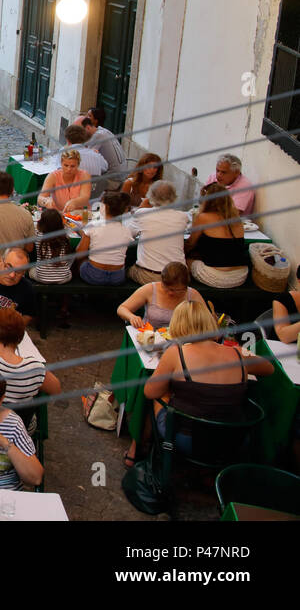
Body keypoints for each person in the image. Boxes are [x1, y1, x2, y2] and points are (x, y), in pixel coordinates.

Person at [136, 301, 273, 463]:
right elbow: (269, 368)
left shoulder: (176, 353)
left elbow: (150, 392)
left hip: (188, 440)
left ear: (177, 326)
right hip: (233, 440)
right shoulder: (237, 353)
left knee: (162, 392)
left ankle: (144, 448)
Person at [186, 182, 250, 288]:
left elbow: (190, 244)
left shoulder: (203, 217)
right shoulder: (236, 218)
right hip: (240, 275)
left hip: (217, 276)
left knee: (184, 261)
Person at [126, 181, 186, 284]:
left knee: (126, 269)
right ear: (174, 197)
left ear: (150, 196)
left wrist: (141, 207)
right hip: (177, 277)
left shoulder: (142, 213)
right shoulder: (182, 216)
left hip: (149, 276)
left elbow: (128, 233)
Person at [117, 262, 204, 330]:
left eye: (176, 290)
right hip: (150, 338)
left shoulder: (192, 294)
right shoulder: (150, 289)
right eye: (166, 288)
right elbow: (122, 308)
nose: (170, 293)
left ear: (185, 287)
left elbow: (207, 321)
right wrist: (132, 317)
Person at [77, 191, 131, 286]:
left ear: (105, 207)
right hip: (117, 277)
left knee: (82, 262)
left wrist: (84, 232)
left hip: (95, 275)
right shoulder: (126, 230)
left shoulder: (93, 225)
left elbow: (80, 252)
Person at [29, 208, 73, 284]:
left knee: (30, 270)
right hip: (63, 278)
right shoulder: (65, 237)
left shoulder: (38, 235)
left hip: (42, 277)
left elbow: (35, 228)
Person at [80, 110, 124, 174]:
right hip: (122, 173)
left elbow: (87, 158)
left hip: (112, 178)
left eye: (81, 131)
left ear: (88, 128)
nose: (81, 134)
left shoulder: (97, 136)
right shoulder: (103, 130)